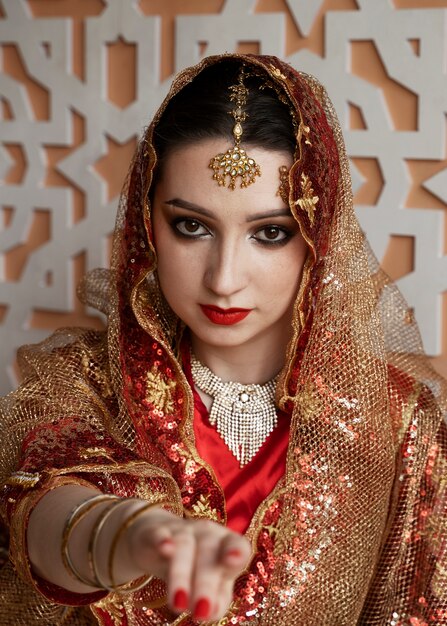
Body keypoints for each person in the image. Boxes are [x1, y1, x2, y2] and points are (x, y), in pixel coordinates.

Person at [0, 53, 446, 626]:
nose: (223, 277)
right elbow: (40, 503)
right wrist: (131, 535)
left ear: (320, 236)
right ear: (145, 223)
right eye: (192, 226)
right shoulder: (84, 381)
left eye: (270, 233)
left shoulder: (395, 421)